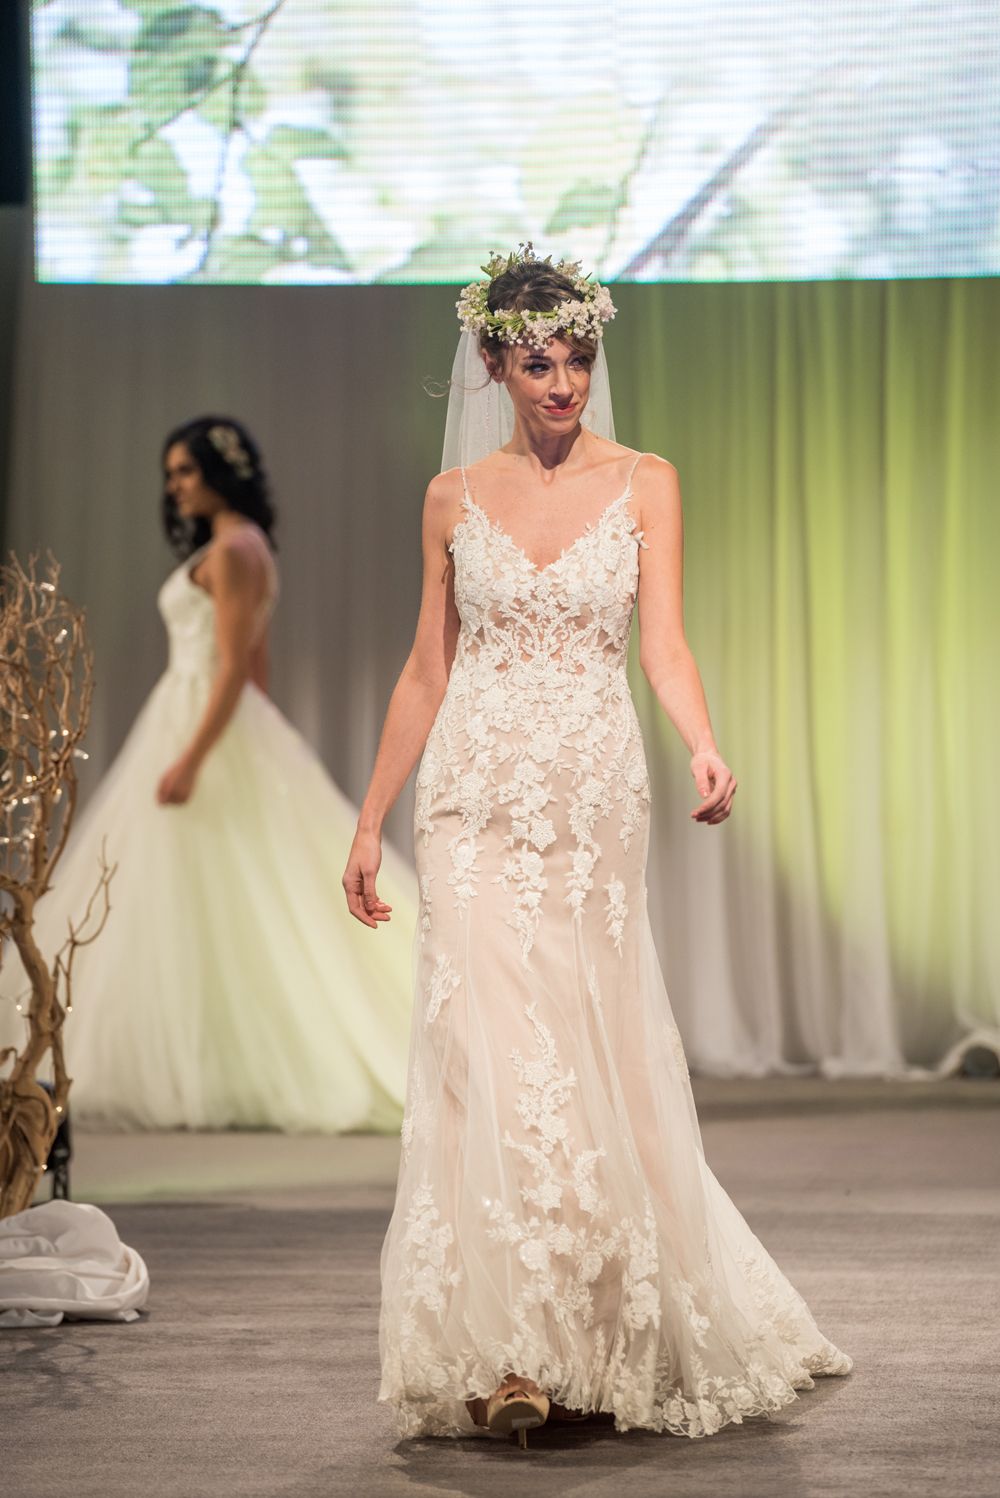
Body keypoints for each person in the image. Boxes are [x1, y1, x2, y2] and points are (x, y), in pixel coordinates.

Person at [343, 247, 852, 1443]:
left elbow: (661, 643)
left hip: (587, 801)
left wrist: (702, 743)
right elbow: (428, 667)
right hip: (471, 796)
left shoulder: (647, 482)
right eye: (538, 362)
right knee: (481, 1048)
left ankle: (591, 1322)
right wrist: (368, 819)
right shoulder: (451, 497)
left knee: (582, 1046)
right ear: (492, 363)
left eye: (577, 358)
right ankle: (507, 1345)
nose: (563, 382)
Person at [1, 416, 414, 1132]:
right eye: (171, 475)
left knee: (215, 889)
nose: (175, 487)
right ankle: (223, 1050)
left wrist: (193, 757)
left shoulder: (232, 549)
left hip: (201, 720)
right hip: (212, 718)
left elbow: (232, 667)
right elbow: (255, 665)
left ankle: (227, 1057)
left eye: (186, 472)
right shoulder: (247, 547)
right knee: (213, 893)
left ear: (223, 474)